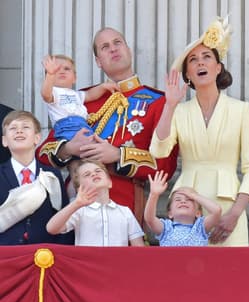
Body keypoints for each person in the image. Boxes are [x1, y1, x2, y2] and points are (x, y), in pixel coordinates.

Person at [37, 27, 179, 223]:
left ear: (128, 50)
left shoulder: (158, 101)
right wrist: (68, 148)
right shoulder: (80, 99)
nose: (113, 49)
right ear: (98, 62)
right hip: (76, 204)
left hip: (125, 203)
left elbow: (165, 166)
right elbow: (42, 153)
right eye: (105, 47)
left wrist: (118, 156)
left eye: (117, 43)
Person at [150, 17, 249, 247]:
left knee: (231, 275)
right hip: (188, 207)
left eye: (206, 57)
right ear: (187, 74)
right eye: (193, 60)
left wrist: (235, 214)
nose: (200, 63)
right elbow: (159, 150)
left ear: (218, 67)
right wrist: (169, 106)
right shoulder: (179, 111)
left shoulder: (241, 110)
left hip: (230, 204)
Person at [0, 111, 69, 245]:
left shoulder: (52, 175)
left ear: (37, 138)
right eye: (13, 128)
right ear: (4, 141)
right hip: (5, 256)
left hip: (45, 255)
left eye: (25, 127)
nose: (19, 131)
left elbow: (63, 217)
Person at [46, 159, 144, 246]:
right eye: (87, 174)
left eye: (98, 171)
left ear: (110, 182)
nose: (94, 174)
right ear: (79, 188)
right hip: (87, 265)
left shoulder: (125, 212)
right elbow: (51, 228)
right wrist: (76, 204)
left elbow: (139, 247)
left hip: (117, 265)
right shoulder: (79, 211)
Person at [40, 54, 119, 142]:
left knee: (95, 147)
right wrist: (50, 75)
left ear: (74, 78)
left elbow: (90, 94)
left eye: (67, 69)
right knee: (85, 146)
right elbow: (45, 95)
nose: (62, 71)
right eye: (56, 69)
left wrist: (103, 87)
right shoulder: (54, 92)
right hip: (67, 127)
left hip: (83, 125)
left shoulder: (76, 94)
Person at [144, 170, 221, 246]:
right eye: (178, 199)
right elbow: (149, 218)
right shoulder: (166, 228)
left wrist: (195, 196)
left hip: (195, 259)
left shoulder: (200, 227)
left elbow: (216, 211)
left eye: (189, 199)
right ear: (170, 213)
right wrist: (154, 194)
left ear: (198, 213)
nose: (183, 201)